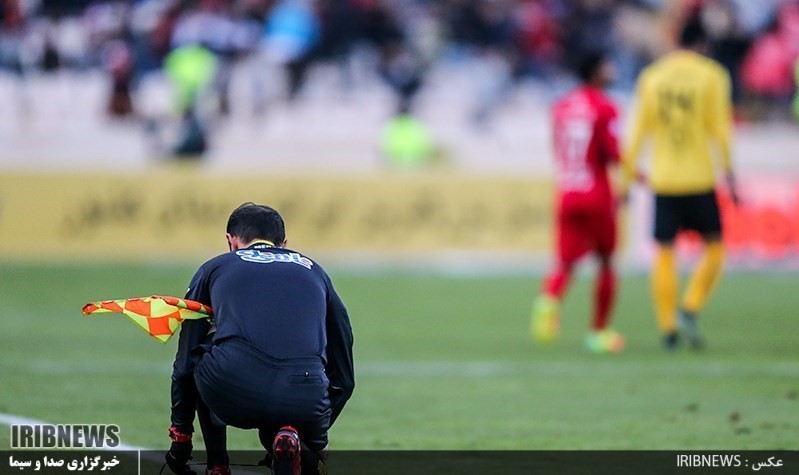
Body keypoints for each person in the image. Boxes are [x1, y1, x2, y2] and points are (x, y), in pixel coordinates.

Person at [165, 203, 355, 475]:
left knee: (205, 349)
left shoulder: (214, 267)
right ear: (285, 244)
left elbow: (185, 364)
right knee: (299, 444)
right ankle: (294, 439)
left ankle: (217, 464)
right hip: (306, 393)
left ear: (231, 242)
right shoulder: (315, 270)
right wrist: (317, 429)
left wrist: (180, 438)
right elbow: (344, 365)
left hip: (233, 390)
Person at [621, 20, 738, 351]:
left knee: (664, 252)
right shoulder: (713, 75)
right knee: (715, 247)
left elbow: (637, 132)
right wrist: (730, 173)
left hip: (665, 179)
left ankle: (668, 328)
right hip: (700, 177)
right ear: (701, 44)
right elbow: (721, 130)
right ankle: (691, 305)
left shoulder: (652, 77)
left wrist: (626, 179)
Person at [531, 51, 625, 354]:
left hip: (567, 190)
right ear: (595, 71)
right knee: (607, 263)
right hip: (596, 194)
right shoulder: (606, 107)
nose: (612, 69)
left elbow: (556, 147)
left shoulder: (561, 106)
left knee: (566, 262)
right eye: (608, 65)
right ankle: (598, 333)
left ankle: (548, 300)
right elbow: (613, 153)